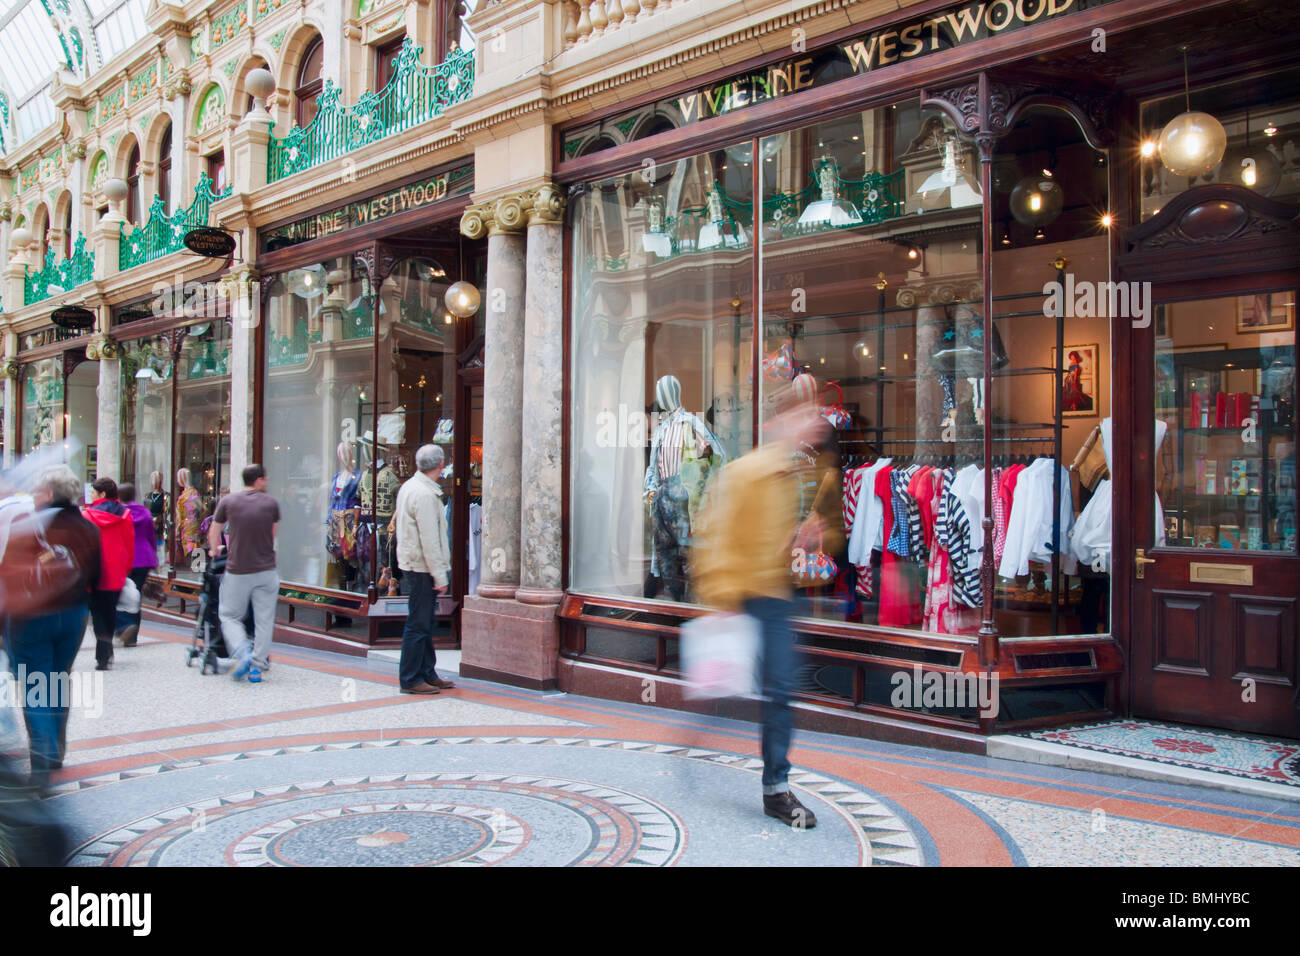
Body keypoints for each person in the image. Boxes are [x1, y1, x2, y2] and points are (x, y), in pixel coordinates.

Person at [692, 389, 831, 829]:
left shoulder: (790, 474)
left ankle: (775, 789)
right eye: (806, 414)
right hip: (746, 600)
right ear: (782, 421)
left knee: (781, 690)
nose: (815, 423)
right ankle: (703, 737)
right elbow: (716, 537)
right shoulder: (746, 473)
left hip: (775, 597)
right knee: (766, 689)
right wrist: (721, 602)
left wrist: (800, 540)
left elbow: (766, 543)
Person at [2, 465, 100, 786]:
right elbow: (96, 576)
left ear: (47, 493)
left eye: (35, 490)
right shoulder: (87, 528)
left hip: (31, 617)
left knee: (35, 687)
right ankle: (56, 751)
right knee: (58, 679)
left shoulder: (27, 525)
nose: (31, 494)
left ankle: (42, 759)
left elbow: (8, 574)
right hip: (73, 616)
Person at [209, 465, 281, 684]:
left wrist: (214, 551)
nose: (267, 482)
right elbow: (273, 534)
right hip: (266, 570)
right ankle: (257, 667)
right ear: (258, 480)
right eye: (265, 479)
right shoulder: (271, 503)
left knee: (229, 615)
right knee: (264, 620)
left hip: (237, 569)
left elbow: (215, 529)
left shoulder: (228, 502)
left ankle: (242, 652)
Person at [393, 444, 454, 694]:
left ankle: (427, 671)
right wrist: (439, 576)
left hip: (414, 564)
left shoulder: (411, 487)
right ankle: (410, 678)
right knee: (419, 624)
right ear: (440, 466)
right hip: (421, 568)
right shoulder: (426, 495)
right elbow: (430, 540)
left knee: (425, 621)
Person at [82, 477, 135, 672]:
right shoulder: (126, 514)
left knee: (97, 613)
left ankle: (103, 652)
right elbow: (129, 543)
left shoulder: (87, 516)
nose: (91, 496)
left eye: (94, 493)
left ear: (102, 494)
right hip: (116, 571)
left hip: (94, 571)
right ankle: (106, 650)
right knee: (110, 610)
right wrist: (126, 568)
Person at [115, 483, 157, 648]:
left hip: (125, 558)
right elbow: (151, 537)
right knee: (136, 595)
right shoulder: (145, 513)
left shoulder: (118, 513)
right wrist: (154, 559)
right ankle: (132, 636)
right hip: (143, 558)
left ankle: (123, 626)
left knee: (119, 594)